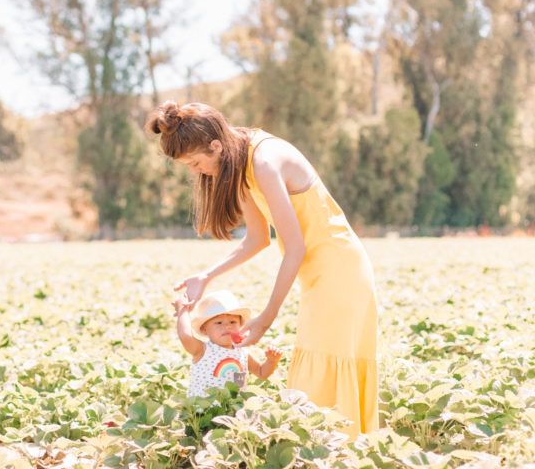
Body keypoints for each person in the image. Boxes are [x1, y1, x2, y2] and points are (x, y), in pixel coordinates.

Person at [147, 101, 378, 438]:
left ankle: (340, 451)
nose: (196, 172)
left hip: (340, 268)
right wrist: (207, 276)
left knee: (325, 362)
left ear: (215, 146)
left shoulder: (264, 163)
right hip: (318, 273)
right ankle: (331, 452)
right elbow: (258, 239)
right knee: (318, 363)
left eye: (197, 163)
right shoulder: (239, 162)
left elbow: (295, 246)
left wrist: (266, 318)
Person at [174, 289, 282, 397]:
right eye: (219, 322)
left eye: (232, 322)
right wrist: (182, 310)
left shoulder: (242, 350)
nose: (227, 326)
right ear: (204, 329)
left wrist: (271, 361)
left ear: (240, 325)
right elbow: (185, 335)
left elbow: (261, 372)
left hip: (235, 409)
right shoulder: (203, 350)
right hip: (204, 409)